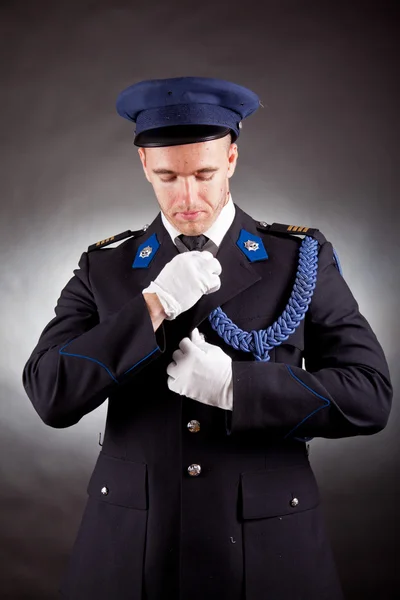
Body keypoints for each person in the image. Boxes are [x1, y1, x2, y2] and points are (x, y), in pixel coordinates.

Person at [22, 76, 393, 600]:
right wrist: (151, 306)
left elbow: (370, 396)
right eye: (169, 176)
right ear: (145, 166)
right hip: (133, 549)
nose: (189, 197)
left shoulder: (299, 258)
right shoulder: (105, 267)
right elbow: (49, 393)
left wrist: (238, 388)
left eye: (205, 173)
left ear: (233, 160)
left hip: (268, 546)